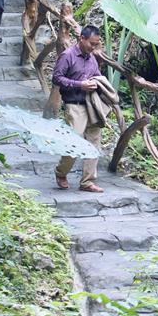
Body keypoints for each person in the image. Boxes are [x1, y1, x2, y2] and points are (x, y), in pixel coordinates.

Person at [53, 25, 105, 193]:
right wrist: (79, 84)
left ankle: (88, 181)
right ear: (81, 38)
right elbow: (57, 78)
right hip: (74, 104)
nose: (94, 47)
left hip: (91, 105)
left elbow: (97, 75)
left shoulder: (92, 58)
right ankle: (61, 172)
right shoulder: (67, 55)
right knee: (74, 142)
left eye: (96, 44)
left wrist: (97, 82)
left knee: (94, 142)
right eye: (91, 43)